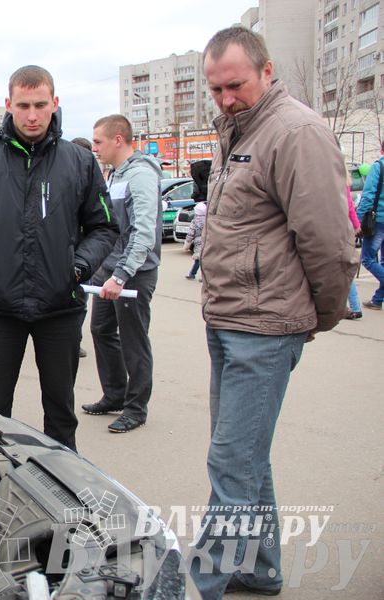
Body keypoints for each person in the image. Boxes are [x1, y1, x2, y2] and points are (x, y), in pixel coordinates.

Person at [190, 27, 356, 599]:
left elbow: (332, 245)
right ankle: (259, 570)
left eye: (234, 85)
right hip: (230, 320)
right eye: (215, 90)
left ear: (265, 71)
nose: (225, 98)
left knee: (232, 468)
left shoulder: (296, 132)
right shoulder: (237, 128)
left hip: (265, 328)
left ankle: (196, 587)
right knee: (244, 459)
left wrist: (319, 317)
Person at [0, 65, 118, 451]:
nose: (32, 115)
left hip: (61, 305)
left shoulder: (80, 161)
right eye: (23, 105)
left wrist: (78, 267)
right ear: (8, 105)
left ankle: (65, 489)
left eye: (41, 104)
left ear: (55, 104)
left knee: (60, 411)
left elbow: (104, 226)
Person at [84, 115, 162, 433]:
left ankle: (136, 408)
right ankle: (114, 395)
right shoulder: (115, 175)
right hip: (110, 270)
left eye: (99, 141)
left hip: (134, 274)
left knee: (134, 340)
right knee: (101, 330)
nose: (94, 147)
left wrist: (121, 275)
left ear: (118, 140)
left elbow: (143, 232)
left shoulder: (140, 175)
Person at [71, 136, 93, 359]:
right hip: (65, 252)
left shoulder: (91, 181)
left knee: (80, 300)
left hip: (83, 255)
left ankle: (73, 340)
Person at [356, 142, 384, 311]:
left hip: (378, 220)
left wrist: (357, 222)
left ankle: (378, 299)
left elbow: (367, 197)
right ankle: (377, 300)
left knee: (367, 258)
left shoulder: (378, 166)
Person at [345, 186, 362, 319]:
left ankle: (351, 307)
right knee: (345, 269)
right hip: (345, 230)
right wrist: (356, 225)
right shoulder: (341, 180)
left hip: (334, 231)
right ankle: (355, 307)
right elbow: (350, 206)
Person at [184, 201, 206, 280]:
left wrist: (187, 243)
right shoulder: (208, 220)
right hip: (208, 241)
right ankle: (197, 274)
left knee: (198, 259)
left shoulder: (194, 221)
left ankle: (193, 274)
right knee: (205, 259)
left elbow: (190, 234)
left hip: (198, 242)